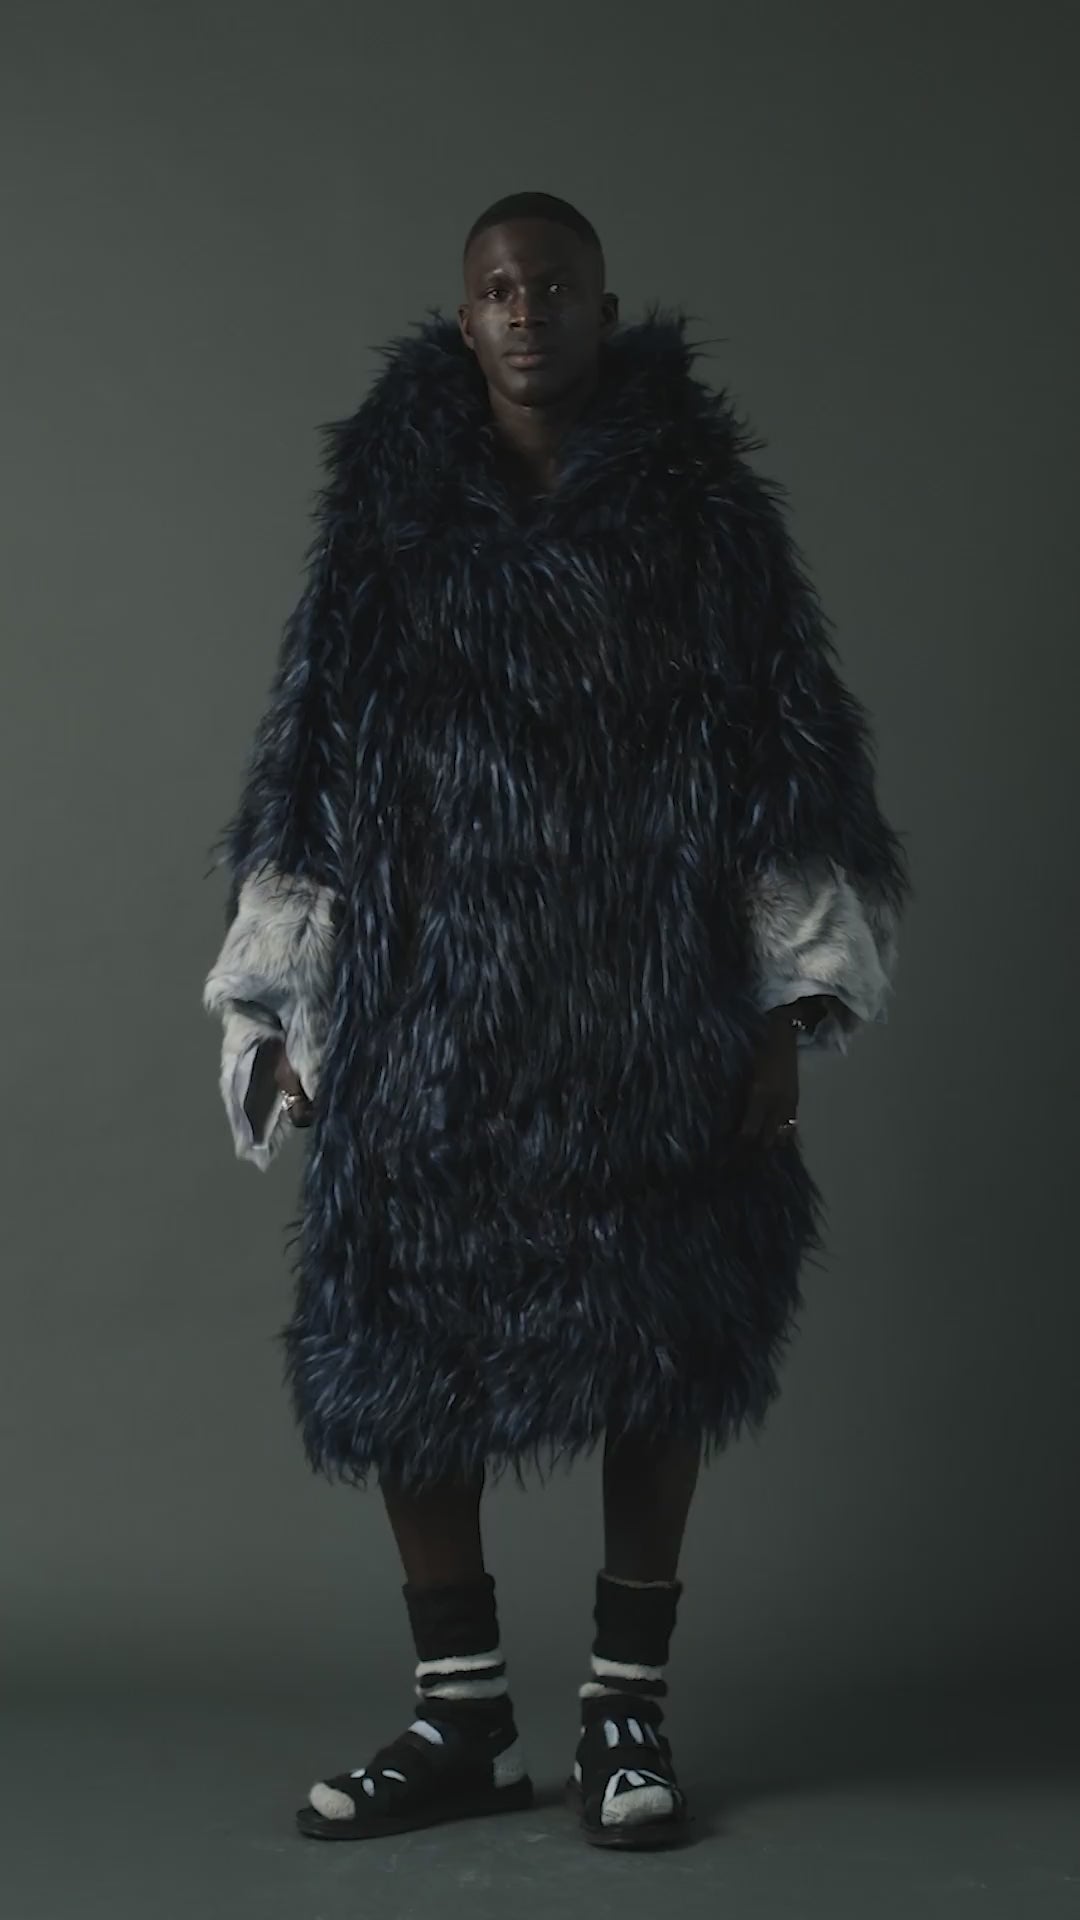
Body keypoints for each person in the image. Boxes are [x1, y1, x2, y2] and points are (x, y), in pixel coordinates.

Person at [202, 189, 910, 1850]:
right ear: (467, 319)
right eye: (501, 290)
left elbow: (788, 753)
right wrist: (287, 999)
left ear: (603, 304)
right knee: (398, 1349)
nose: (528, 312)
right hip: (432, 1017)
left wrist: (778, 1013)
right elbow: (311, 760)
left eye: (555, 286)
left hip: (646, 1006)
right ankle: (460, 1717)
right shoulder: (387, 517)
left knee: (661, 1336)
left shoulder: (705, 516)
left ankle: (624, 1710)